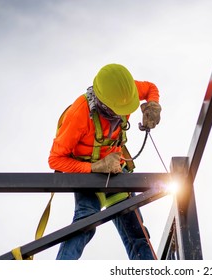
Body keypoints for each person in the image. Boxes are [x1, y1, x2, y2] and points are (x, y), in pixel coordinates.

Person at [48, 63, 161, 260]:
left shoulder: (125, 92)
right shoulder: (79, 115)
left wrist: (153, 105)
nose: (122, 113)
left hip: (117, 172)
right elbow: (55, 160)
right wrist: (95, 166)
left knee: (137, 234)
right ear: (103, 103)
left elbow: (151, 88)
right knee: (85, 225)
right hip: (87, 176)